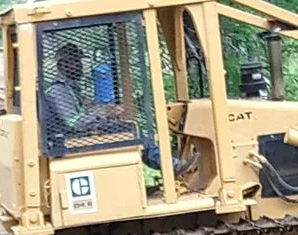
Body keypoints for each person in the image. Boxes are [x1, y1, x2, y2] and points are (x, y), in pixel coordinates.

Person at [44, 43, 198, 176]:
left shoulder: (71, 89)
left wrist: (106, 111)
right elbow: (76, 122)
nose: (80, 65)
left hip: (79, 135)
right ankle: (171, 166)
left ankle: (172, 165)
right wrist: (105, 116)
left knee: (130, 127)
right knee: (133, 133)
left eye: (79, 61)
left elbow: (89, 109)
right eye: (75, 61)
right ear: (62, 65)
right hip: (72, 140)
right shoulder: (58, 91)